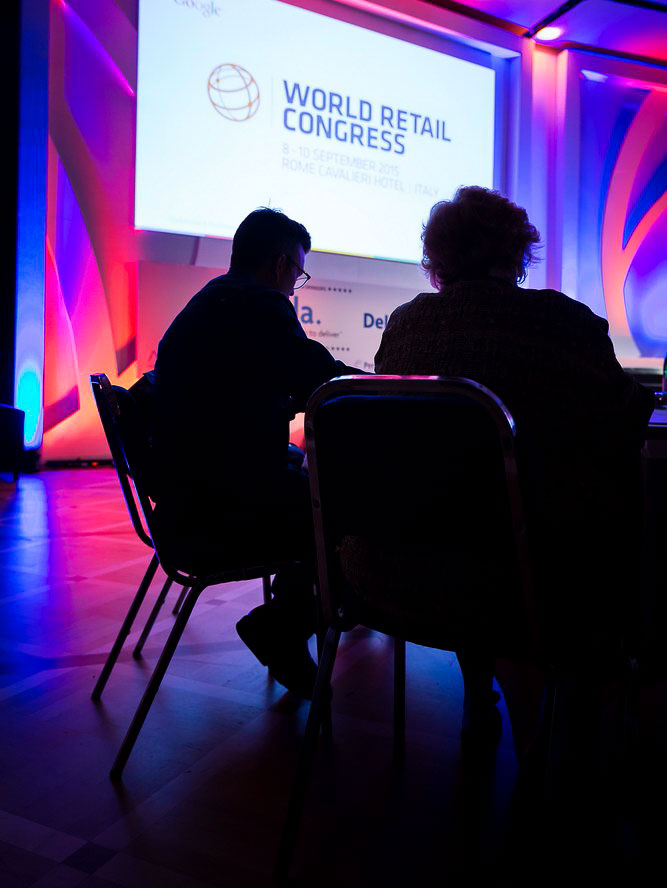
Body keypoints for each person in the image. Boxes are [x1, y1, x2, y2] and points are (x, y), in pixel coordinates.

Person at [373, 185, 654, 752]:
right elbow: (627, 421)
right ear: (517, 252)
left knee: (463, 508)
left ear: (437, 257)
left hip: (394, 573)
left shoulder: (403, 328)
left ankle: (484, 698)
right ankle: (593, 712)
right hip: (527, 579)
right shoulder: (564, 322)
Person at [152, 207, 357, 698]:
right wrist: (391, 388)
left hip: (186, 498)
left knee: (311, 485)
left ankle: (288, 620)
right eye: (298, 273)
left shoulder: (210, 301)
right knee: (356, 515)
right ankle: (285, 624)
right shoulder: (261, 305)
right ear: (281, 263)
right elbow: (320, 380)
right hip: (223, 508)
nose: (294, 285)